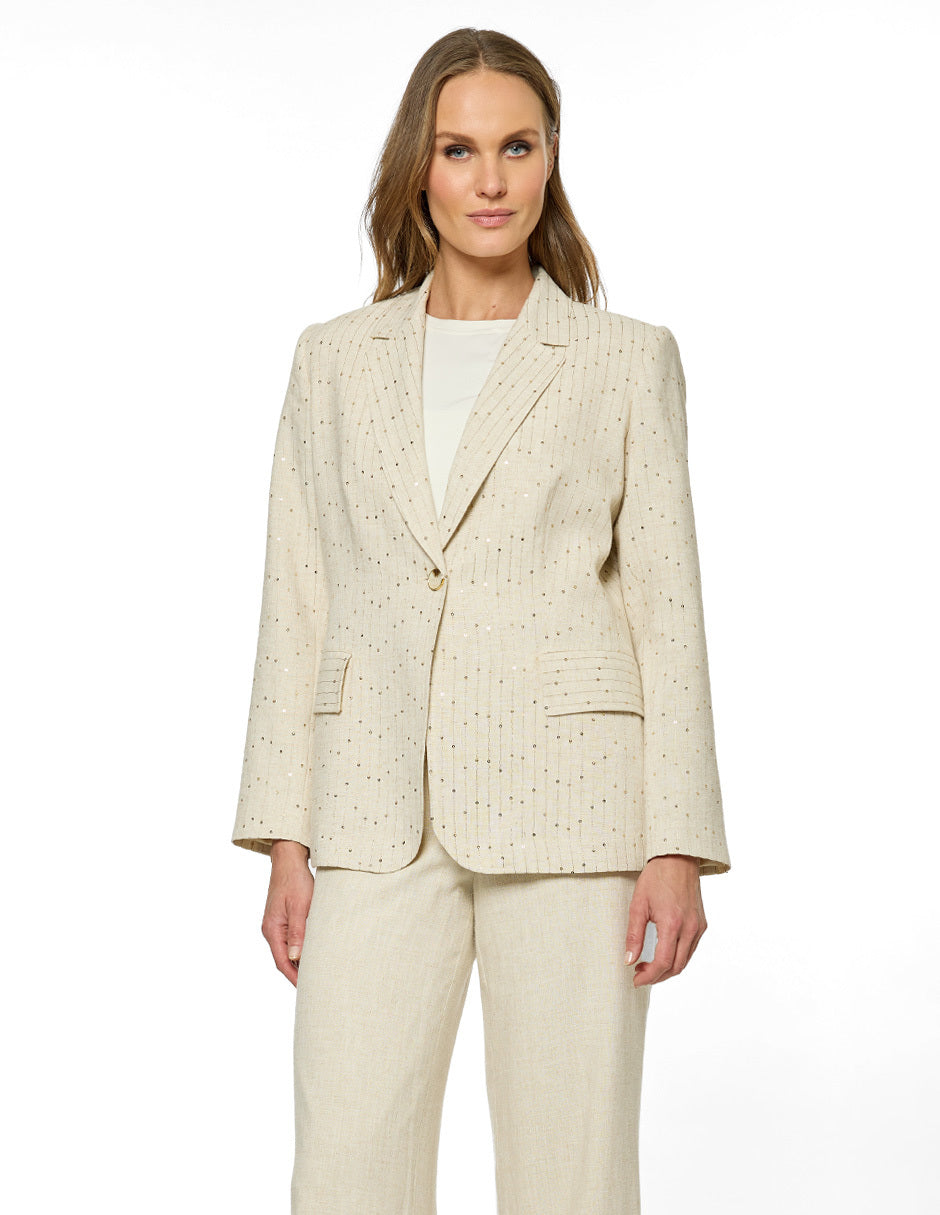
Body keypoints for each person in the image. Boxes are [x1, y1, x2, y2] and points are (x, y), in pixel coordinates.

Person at [230, 26, 731, 1215]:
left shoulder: (622, 361)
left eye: (518, 146)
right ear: (419, 164)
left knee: (571, 1177)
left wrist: (677, 844)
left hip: (577, 810)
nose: (491, 180)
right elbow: (298, 599)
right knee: (345, 1171)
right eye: (459, 150)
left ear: (551, 157)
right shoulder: (332, 362)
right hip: (371, 808)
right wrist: (283, 834)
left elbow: (669, 613)